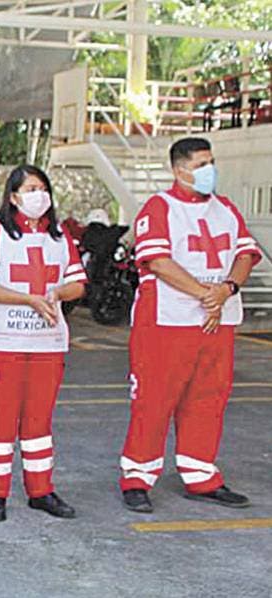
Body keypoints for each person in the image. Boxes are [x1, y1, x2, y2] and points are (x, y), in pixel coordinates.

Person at [119, 137, 261, 513]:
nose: (209, 170)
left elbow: (246, 254)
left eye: (211, 162)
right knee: (154, 400)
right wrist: (206, 295)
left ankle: (201, 475)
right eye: (200, 165)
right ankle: (137, 477)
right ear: (179, 170)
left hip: (217, 321)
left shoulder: (225, 209)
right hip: (168, 322)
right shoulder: (159, 207)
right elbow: (158, 261)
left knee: (209, 398)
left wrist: (227, 289)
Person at [0, 165, 87, 522]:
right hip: (3, 341)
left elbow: (78, 284)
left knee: (39, 420)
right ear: (13, 197)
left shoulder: (60, 237)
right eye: (30, 189)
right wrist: (27, 299)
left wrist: (57, 293)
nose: (39, 195)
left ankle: (41, 490)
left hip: (47, 342)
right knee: (1, 419)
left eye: (42, 188)